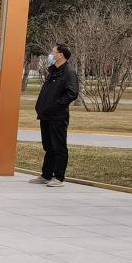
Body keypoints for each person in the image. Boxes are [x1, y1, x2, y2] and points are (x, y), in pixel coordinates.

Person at [32, 43, 79, 188]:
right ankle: (46, 175)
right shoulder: (53, 70)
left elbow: (72, 93)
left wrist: (56, 105)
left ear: (60, 55)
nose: (50, 55)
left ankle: (58, 177)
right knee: (48, 146)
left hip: (57, 116)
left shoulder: (69, 72)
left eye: (53, 52)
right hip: (46, 115)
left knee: (59, 147)